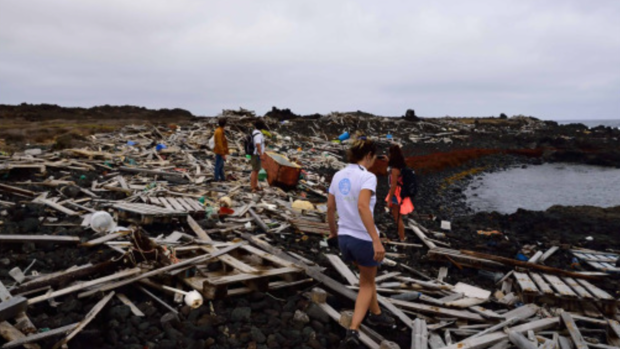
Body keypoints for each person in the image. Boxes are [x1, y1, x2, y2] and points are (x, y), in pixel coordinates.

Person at [327, 137, 396, 347]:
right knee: (366, 283)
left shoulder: (338, 175)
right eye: (374, 157)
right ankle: (354, 330)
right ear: (368, 156)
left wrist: (333, 234)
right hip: (363, 239)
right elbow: (363, 207)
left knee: (368, 276)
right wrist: (377, 240)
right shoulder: (368, 177)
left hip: (345, 240)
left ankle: (376, 314)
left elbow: (330, 208)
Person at [385, 145, 414, 242]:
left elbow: (393, 185)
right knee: (398, 216)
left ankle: (402, 237)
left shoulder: (394, 169)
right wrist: (387, 160)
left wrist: (389, 199)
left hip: (396, 194)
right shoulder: (400, 166)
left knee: (397, 217)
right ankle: (401, 235)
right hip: (401, 193)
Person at [250, 120, 266, 192]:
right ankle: (253, 187)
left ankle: (255, 186)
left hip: (256, 154)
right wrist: (261, 154)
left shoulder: (254, 132)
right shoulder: (258, 135)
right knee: (255, 171)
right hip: (256, 155)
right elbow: (258, 144)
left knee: (257, 170)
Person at [213, 117, 229, 182]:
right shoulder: (219, 132)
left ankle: (222, 178)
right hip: (220, 152)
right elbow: (219, 143)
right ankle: (216, 179)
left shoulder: (220, 130)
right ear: (225, 124)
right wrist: (222, 154)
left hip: (220, 151)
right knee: (218, 166)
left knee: (221, 166)